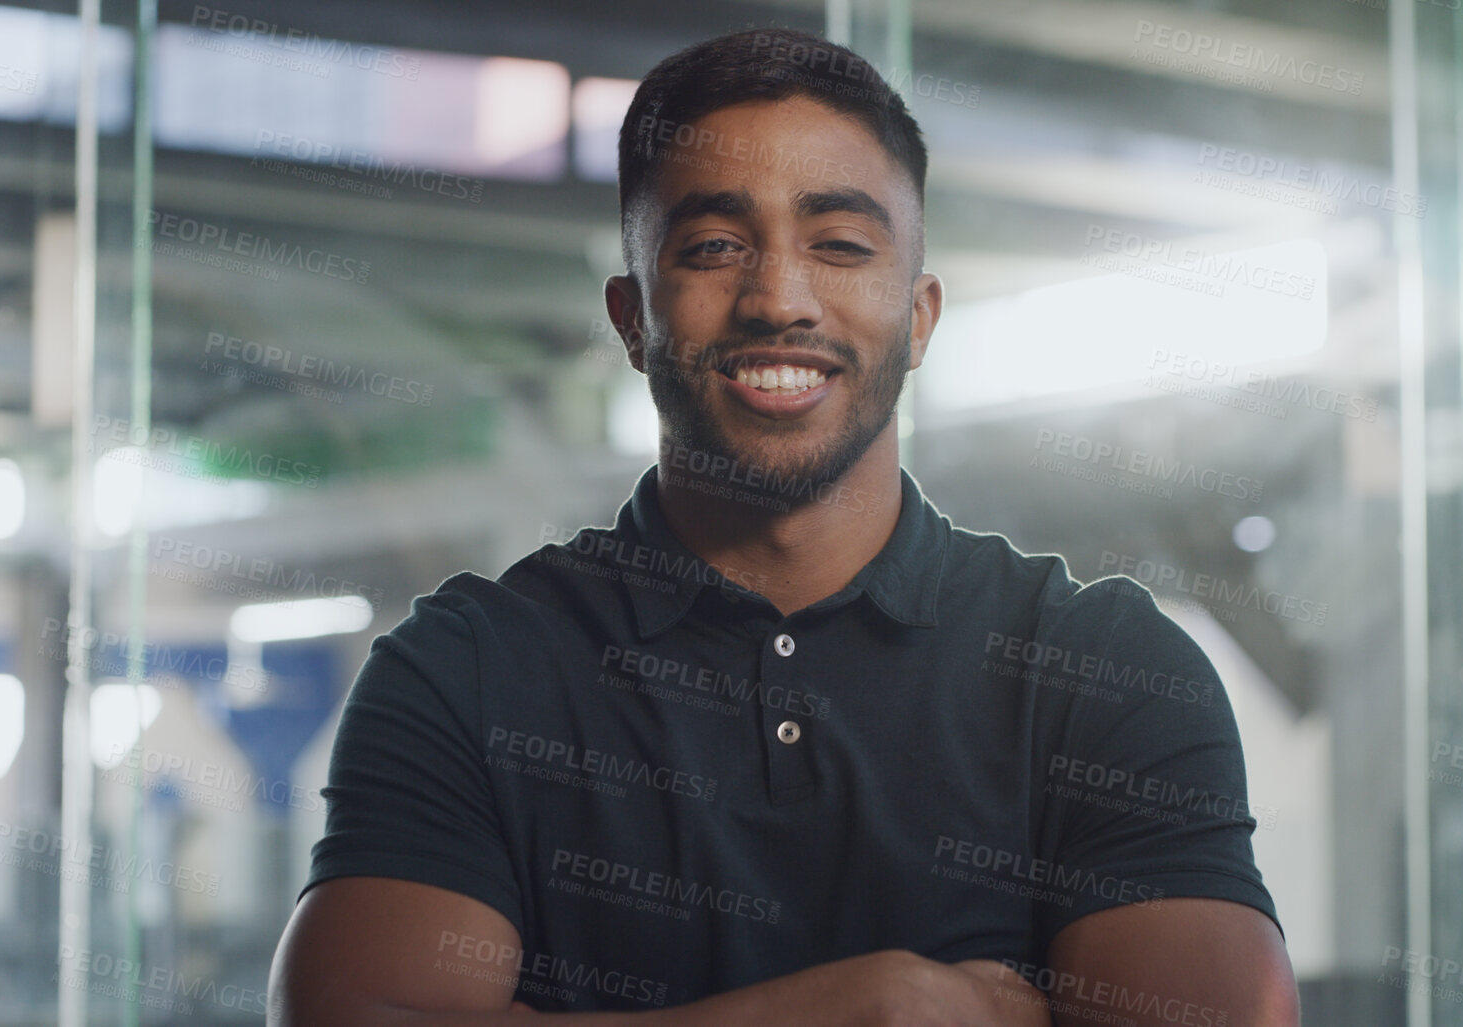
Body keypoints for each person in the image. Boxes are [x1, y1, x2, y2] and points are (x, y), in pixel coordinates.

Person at [270, 26, 1299, 1027]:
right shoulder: (466, 671)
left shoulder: (1105, 668)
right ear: (633, 319)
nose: (778, 299)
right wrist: (859, 1008)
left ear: (921, 316)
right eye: (716, 246)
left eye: (841, 245)